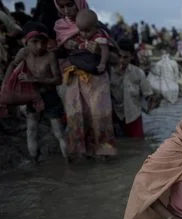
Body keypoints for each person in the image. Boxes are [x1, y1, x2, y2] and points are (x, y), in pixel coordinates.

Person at [54, 0, 116, 159]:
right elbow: (54, 55)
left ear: (79, 3)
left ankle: (104, 156)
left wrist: (98, 52)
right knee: (77, 116)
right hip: (73, 79)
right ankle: (81, 155)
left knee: (99, 117)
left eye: (70, 4)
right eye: (62, 6)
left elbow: (115, 56)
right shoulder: (60, 27)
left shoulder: (98, 27)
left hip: (96, 80)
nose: (66, 10)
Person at [2, 22, 67, 163]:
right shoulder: (24, 53)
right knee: (31, 129)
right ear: (26, 42)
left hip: (50, 96)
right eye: (34, 42)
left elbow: (58, 79)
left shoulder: (50, 56)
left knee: (58, 132)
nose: (39, 46)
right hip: (33, 96)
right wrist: (5, 87)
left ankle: (68, 162)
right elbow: (12, 65)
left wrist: (34, 78)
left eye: (42, 42)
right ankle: (34, 162)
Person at [110, 38, 157, 138]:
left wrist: (152, 100)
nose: (121, 60)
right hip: (115, 115)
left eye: (125, 57)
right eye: (119, 56)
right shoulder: (109, 72)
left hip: (133, 115)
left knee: (138, 142)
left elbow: (148, 93)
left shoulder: (138, 73)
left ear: (131, 56)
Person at [74, 9, 109, 73]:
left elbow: (104, 50)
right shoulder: (80, 36)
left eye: (87, 31)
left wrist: (103, 63)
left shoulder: (98, 37)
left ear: (96, 27)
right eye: (81, 30)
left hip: (96, 63)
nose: (84, 34)